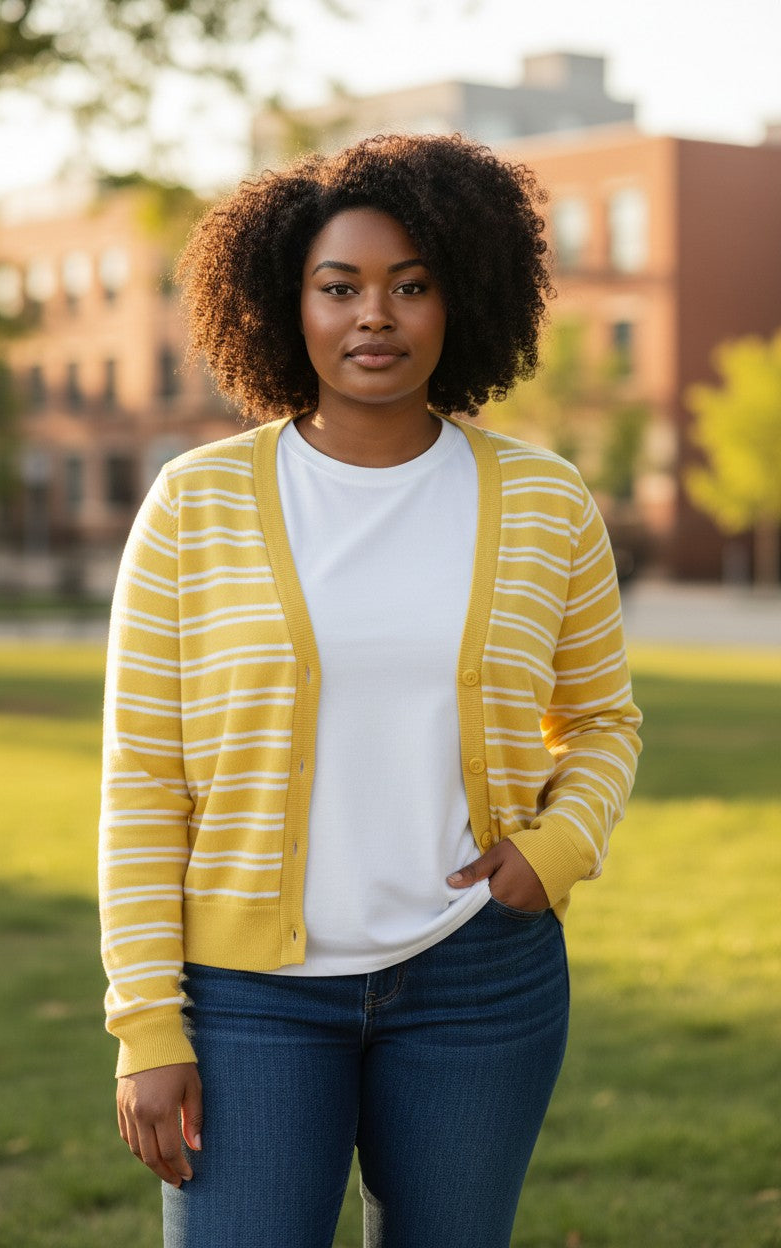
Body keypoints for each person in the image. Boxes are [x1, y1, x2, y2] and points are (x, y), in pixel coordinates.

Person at [99, 133, 642, 1248]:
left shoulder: (543, 500)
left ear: (463, 300)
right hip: (248, 999)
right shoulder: (193, 506)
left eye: (411, 285)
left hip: (478, 981)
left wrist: (555, 852)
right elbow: (145, 780)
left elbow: (599, 720)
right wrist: (148, 1022)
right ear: (283, 305)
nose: (374, 318)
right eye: (338, 287)